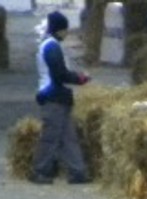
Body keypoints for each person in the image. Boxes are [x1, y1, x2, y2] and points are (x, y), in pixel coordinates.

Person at [29, 11, 91, 186]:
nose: (66, 33)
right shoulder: (51, 47)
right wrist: (79, 78)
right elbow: (59, 74)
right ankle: (39, 170)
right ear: (59, 29)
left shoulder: (50, 45)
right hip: (53, 96)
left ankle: (77, 171)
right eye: (65, 30)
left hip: (56, 97)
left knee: (67, 136)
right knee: (51, 137)